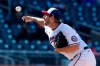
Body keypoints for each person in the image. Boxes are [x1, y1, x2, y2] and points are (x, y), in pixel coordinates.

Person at [22, 7, 96, 66]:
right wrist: (32, 18)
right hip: (79, 58)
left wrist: (60, 50)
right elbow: (42, 21)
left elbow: (76, 47)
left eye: (46, 15)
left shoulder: (65, 29)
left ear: (52, 18)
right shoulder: (49, 28)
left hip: (83, 56)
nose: (44, 16)